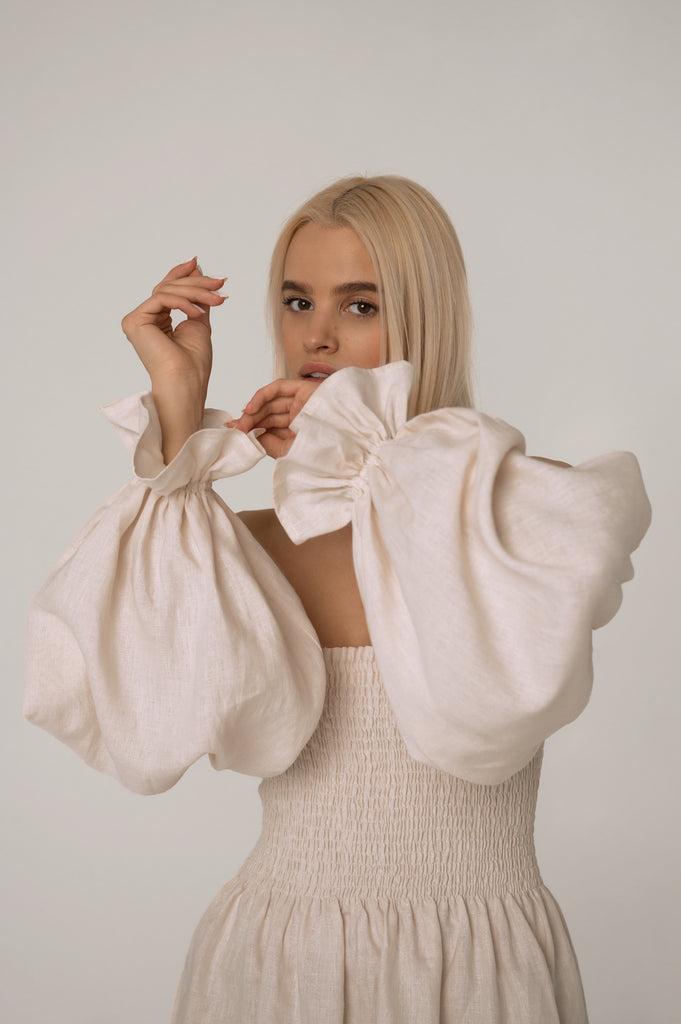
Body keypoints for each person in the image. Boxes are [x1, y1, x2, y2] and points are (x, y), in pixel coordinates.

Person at [24, 175, 651, 1023]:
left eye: (360, 305)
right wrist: (177, 409)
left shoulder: (520, 518)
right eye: (296, 301)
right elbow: (133, 707)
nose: (315, 335)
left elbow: (515, 673)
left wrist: (374, 442)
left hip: (478, 965)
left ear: (423, 317)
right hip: (280, 959)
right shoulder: (236, 544)